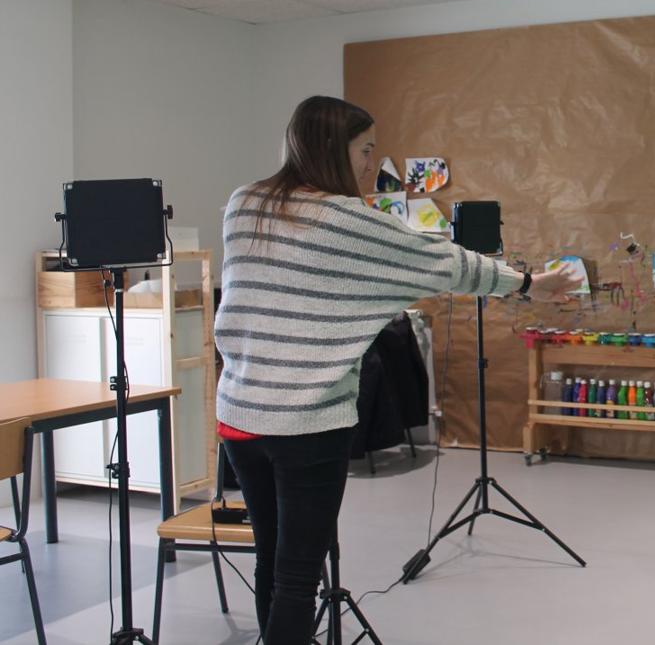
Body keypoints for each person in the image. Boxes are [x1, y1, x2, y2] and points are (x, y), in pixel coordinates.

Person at [214, 96, 580, 644]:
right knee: (298, 573)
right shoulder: (345, 218)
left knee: (271, 551)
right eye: (365, 151)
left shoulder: (245, 203)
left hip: (240, 417)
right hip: (307, 424)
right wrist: (527, 284)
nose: (370, 164)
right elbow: (444, 262)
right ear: (333, 150)